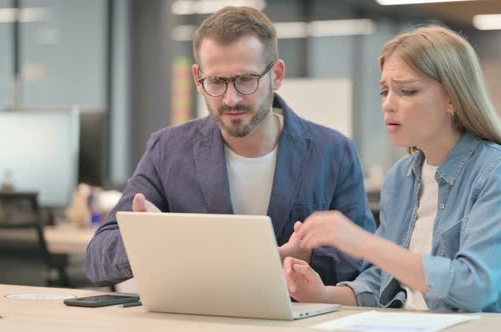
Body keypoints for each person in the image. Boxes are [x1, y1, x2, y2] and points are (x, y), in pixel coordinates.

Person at [85, 6, 375, 286]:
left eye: (245, 79)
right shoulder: (167, 150)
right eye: (216, 81)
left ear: (277, 75)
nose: (230, 98)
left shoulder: (333, 151)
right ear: (198, 79)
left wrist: (310, 257)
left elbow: (366, 258)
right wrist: (154, 243)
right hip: (198, 317)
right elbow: (98, 256)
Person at [284, 25, 501, 314]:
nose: (388, 105)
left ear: (452, 98)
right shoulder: (401, 177)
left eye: (407, 91)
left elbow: (474, 288)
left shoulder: (498, 172)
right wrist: (323, 294)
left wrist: (363, 243)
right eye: (384, 91)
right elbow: (379, 282)